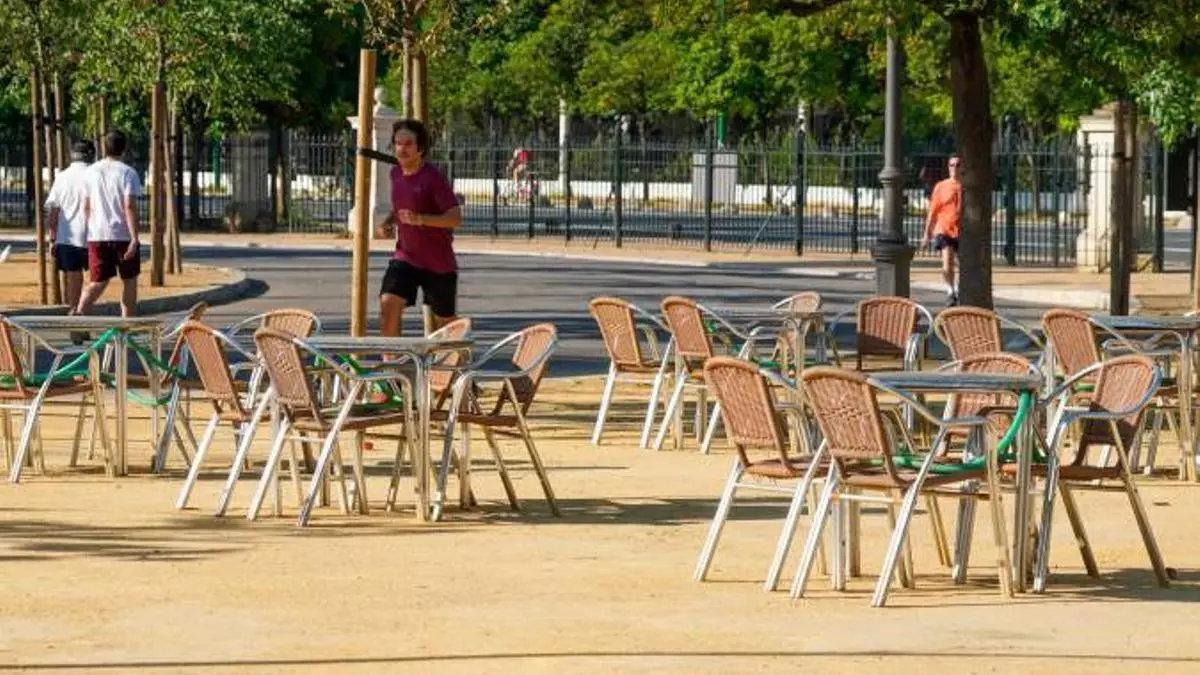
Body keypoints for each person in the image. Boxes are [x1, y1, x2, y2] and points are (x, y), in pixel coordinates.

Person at [377, 119, 462, 338]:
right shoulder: (396, 174)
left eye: (407, 144)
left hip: (438, 263)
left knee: (444, 324)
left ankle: (458, 357)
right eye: (397, 143)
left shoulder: (433, 178)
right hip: (406, 256)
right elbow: (401, 208)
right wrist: (389, 222)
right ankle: (392, 364)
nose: (401, 149)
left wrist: (421, 219)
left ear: (420, 148)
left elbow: (455, 218)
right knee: (388, 302)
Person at [76, 130, 142, 317]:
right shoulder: (128, 173)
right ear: (124, 148)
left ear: (103, 148)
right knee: (129, 280)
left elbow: (86, 206)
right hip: (122, 235)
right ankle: (126, 325)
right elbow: (129, 205)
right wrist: (134, 238)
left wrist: (88, 230)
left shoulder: (90, 172)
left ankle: (80, 315)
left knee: (98, 280)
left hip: (97, 234)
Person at [45, 140, 95, 312]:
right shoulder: (96, 175)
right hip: (93, 235)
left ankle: (74, 311)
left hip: (67, 236)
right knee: (97, 278)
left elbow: (54, 211)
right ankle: (83, 310)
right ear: (91, 154)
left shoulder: (62, 177)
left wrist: (52, 238)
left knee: (73, 277)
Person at [920, 155, 962, 306]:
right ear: (948, 167)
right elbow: (932, 211)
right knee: (947, 263)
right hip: (944, 228)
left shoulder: (966, 187)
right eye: (951, 165)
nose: (954, 168)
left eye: (957, 165)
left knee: (962, 263)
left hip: (961, 231)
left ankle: (958, 287)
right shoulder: (941, 186)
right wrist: (927, 234)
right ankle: (951, 290)